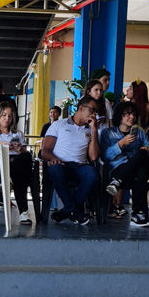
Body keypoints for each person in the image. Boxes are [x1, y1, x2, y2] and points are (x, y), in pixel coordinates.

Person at [39, 96, 100, 225]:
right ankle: (73, 210)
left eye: (96, 111)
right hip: (61, 165)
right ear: (81, 108)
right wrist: (54, 158)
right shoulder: (59, 125)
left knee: (92, 173)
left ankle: (67, 211)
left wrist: (94, 130)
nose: (94, 114)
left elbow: (94, 156)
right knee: (56, 169)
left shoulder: (90, 129)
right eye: (92, 110)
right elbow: (45, 151)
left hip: (80, 166)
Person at [100, 100, 149, 227]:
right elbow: (105, 156)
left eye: (134, 114)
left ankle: (117, 181)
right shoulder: (108, 133)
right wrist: (120, 144)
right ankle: (139, 214)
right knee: (140, 177)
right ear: (120, 115)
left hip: (128, 175)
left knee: (143, 154)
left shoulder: (140, 133)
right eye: (128, 114)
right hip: (118, 169)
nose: (132, 117)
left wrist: (148, 150)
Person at [0, 101, 35, 224]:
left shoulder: (17, 134)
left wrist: (19, 149)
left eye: (10, 116)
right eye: (4, 115)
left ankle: (23, 210)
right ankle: (23, 210)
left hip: (16, 163)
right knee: (18, 176)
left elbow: (25, 152)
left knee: (25, 158)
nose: (7, 118)